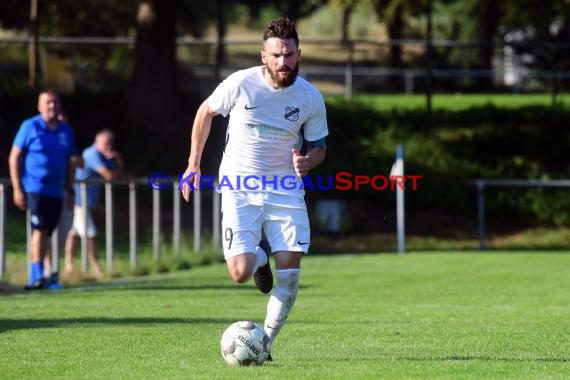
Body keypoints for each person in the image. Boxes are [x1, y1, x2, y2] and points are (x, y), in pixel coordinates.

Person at [180, 16, 328, 358]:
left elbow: (319, 145)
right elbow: (205, 113)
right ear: (264, 56)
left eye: (289, 54)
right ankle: (259, 259)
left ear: (299, 54)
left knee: (290, 274)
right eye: (276, 55)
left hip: (285, 189)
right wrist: (193, 163)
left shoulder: (310, 97)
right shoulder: (240, 84)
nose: (283, 62)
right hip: (239, 186)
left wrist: (309, 161)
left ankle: (267, 345)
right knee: (239, 272)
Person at [8, 88, 78, 290]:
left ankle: (43, 276)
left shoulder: (65, 130)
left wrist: (70, 189)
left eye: (55, 102)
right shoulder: (30, 126)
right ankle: (35, 276)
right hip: (34, 189)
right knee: (39, 230)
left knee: (47, 232)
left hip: (56, 191)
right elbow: (14, 157)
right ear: (39, 106)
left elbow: (71, 161)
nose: (52, 106)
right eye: (47, 102)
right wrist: (17, 188)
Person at [64, 129, 126, 277]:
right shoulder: (91, 154)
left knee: (73, 233)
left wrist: (118, 159)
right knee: (89, 232)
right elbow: (110, 176)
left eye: (111, 143)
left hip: (86, 202)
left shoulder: (104, 157)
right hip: (80, 200)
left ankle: (69, 267)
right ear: (96, 142)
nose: (109, 146)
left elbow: (119, 173)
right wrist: (118, 174)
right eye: (106, 143)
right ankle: (96, 267)